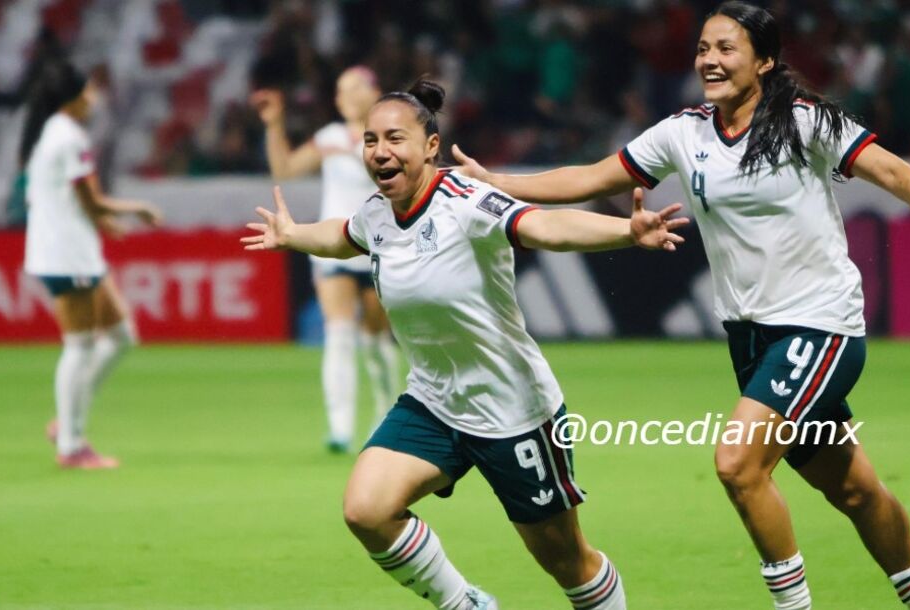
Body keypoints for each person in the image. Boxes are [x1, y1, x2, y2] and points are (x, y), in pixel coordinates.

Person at [450, 3, 910, 609]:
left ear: (765, 60)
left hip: (820, 326)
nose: (710, 60)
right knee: (855, 491)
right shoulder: (685, 131)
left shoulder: (805, 120)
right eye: (703, 48)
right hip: (752, 339)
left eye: (726, 48)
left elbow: (882, 166)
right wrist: (501, 182)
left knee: (737, 465)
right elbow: (595, 177)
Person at [243, 79, 687, 610]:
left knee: (566, 561)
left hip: (513, 410)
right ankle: (467, 604)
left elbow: (545, 226)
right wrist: (294, 235)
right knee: (366, 509)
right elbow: (345, 236)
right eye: (370, 140)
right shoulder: (378, 212)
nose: (380, 152)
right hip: (433, 401)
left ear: (430, 147)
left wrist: (624, 232)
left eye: (394, 138)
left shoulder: (466, 199)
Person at [251, 66, 401, 453]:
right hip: (334, 244)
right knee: (338, 331)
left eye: (353, 88)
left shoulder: (389, 138)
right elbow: (284, 169)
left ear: (374, 91)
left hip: (379, 246)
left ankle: (386, 417)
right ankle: (339, 428)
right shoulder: (331, 138)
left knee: (376, 339)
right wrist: (275, 125)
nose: (344, 96)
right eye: (339, 90)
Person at [21, 62, 163, 469]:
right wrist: (138, 209)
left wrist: (100, 222)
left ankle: (66, 422)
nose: (93, 98)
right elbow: (93, 200)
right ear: (74, 96)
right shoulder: (68, 138)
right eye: (88, 90)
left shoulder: (49, 133)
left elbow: (71, 202)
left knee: (121, 335)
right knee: (80, 345)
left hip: (70, 249)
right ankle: (71, 445)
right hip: (66, 254)